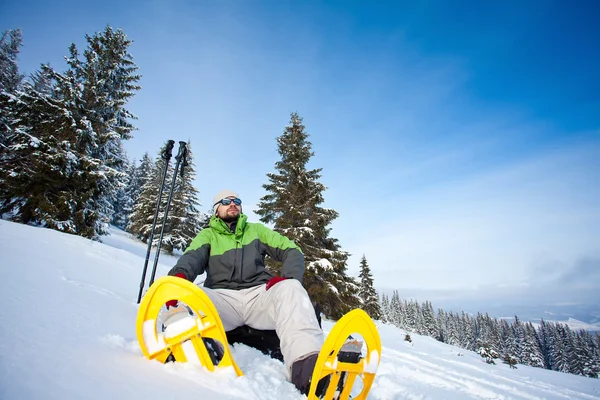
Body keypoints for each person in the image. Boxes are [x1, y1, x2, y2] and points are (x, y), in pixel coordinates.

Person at [164, 189, 324, 395]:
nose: (233, 204)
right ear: (216, 210)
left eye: (236, 201)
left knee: (292, 288)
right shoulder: (207, 235)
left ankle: (310, 372)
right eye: (226, 201)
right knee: (188, 295)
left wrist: (288, 276)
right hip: (222, 299)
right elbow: (190, 259)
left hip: (258, 297)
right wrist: (179, 279)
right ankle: (190, 351)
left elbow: (292, 250)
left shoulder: (256, 230)